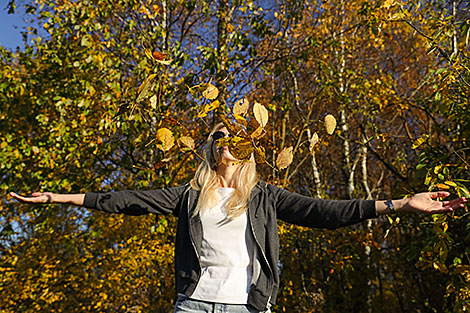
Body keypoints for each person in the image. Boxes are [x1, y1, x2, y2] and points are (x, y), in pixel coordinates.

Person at [10, 123, 467, 313]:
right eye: (218, 139)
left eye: (235, 139)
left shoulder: (265, 197)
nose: (227, 144)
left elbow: (326, 212)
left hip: (248, 307)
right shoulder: (188, 196)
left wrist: (401, 204)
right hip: (192, 304)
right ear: (209, 150)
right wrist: (57, 197)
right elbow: (128, 199)